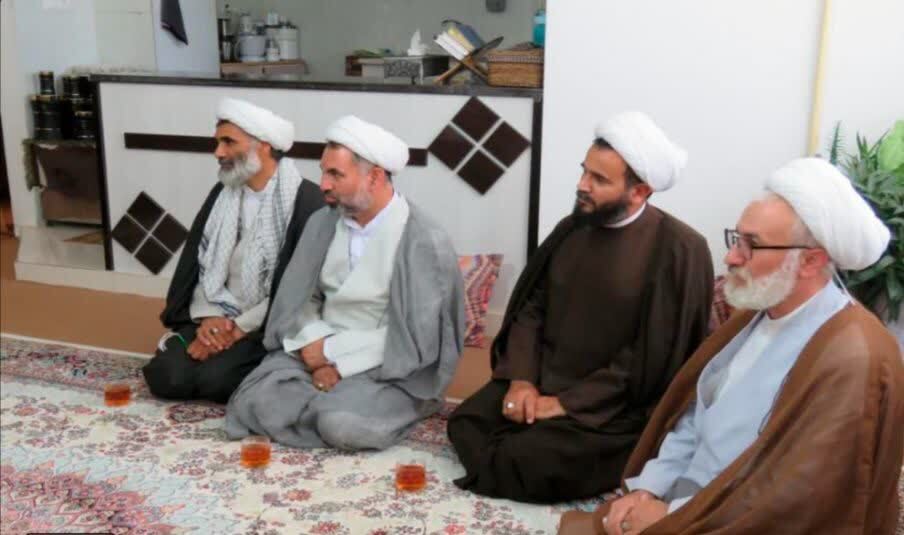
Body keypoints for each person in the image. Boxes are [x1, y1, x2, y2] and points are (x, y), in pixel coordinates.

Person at [560, 157, 903, 535]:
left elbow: (798, 496)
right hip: (691, 497)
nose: (731, 257)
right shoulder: (757, 311)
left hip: (739, 519)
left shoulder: (853, 356)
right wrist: (649, 489)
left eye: (751, 245)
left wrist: (674, 515)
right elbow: (694, 417)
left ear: (810, 261)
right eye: (736, 238)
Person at [448, 111, 714, 503]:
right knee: (465, 422)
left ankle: (526, 451)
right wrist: (522, 380)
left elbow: (649, 360)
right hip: (542, 378)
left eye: (599, 179)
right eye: (584, 171)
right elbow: (531, 309)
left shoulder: (679, 251)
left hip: (613, 406)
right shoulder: (572, 228)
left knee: (528, 460)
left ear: (639, 191)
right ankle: (517, 447)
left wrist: (565, 404)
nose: (582, 185)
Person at [224, 115, 465, 450]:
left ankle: (340, 408)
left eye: (335, 174)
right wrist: (314, 347)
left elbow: (418, 339)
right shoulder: (321, 223)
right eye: (323, 172)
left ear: (374, 177)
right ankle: (323, 404)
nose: (323, 184)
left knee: (342, 425)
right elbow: (300, 299)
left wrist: (335, 357)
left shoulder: (423, 240)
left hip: (388, 364)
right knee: (251, 403)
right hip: (314, 346)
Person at [143, 97, 324, 403]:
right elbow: (199, 266)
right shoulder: (223, 193)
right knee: (168, 377)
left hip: (263, 324)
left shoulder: (306, 201)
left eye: (228, 142)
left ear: (263, 145)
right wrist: (211, 319)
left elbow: (298, 290)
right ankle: (206, 339)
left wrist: (237, 328)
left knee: (217, 382)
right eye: (218, 142)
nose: (218, 152)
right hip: (214, 313)